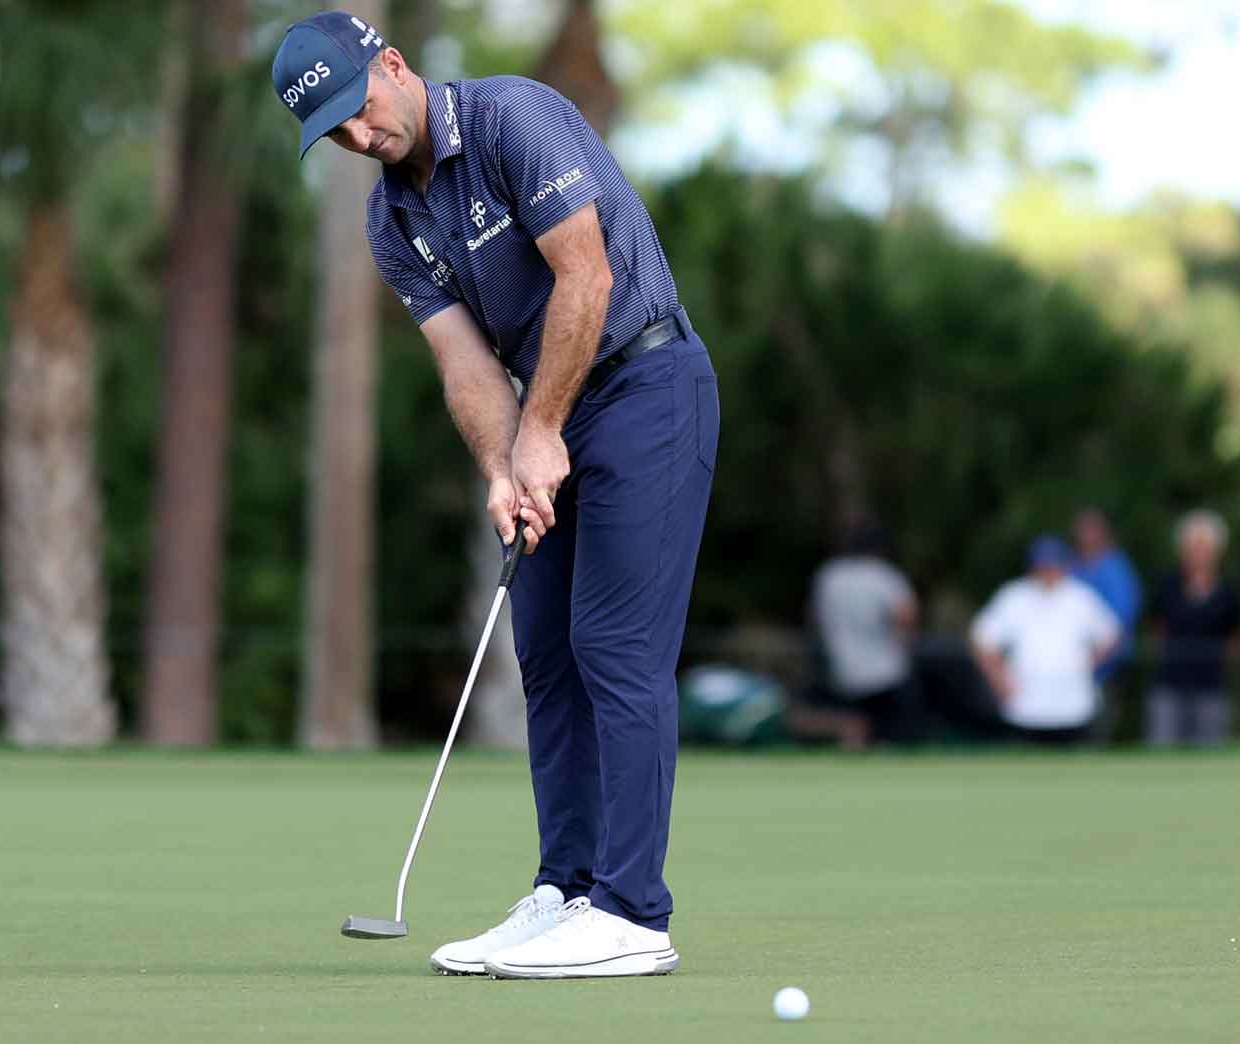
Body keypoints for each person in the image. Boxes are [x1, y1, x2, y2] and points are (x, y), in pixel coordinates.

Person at [273, 13, 717, 979]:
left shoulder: (517, 117)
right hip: (552, 416)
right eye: (334, 132)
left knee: (615, 645)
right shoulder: (389, 219)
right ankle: (568, 891)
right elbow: (466, 363)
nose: (360, 135)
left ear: (392, 66)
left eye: (360, 107)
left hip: (648, 385)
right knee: (546, 654)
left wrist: (543, 431)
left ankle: (635, 914)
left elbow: (585, 277)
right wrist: (503, 465)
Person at [971, 537, 1120, 745]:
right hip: (1025, 706)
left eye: (1053, 565)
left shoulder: (1080, 597)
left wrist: (1089, 665)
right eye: (1043, 565)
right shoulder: (1014, 596)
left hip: (1073, 705)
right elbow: (982, 639)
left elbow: (1111, 634)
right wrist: (998, 678)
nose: (1048, 571)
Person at [808, 525, 923, 745]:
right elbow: (907, 618)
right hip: (887, 673)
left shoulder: (829, 576)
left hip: (842, 670)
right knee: (895, 735)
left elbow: (815, 618)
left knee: (855, 733)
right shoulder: (885, 576)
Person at [1146, 510, 1240, 747]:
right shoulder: (1167, 585)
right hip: (1169, 681)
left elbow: (1236, 634)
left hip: (1211, 684)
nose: (1199, 553)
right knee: (1163, 746)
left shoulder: (1229, 591)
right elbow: (1156, 627)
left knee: (1210, 747)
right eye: (1193, 547)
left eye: (1205, 547)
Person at [1071, 508, 1142, 685]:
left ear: (1104, 532)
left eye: (1092, 529)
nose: (1087, 535)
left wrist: (1101, 652)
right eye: (1083, 529)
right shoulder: (1071, 566)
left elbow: (1124, 615)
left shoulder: (1117, 568)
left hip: (1111, 658)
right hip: (1076, 654)